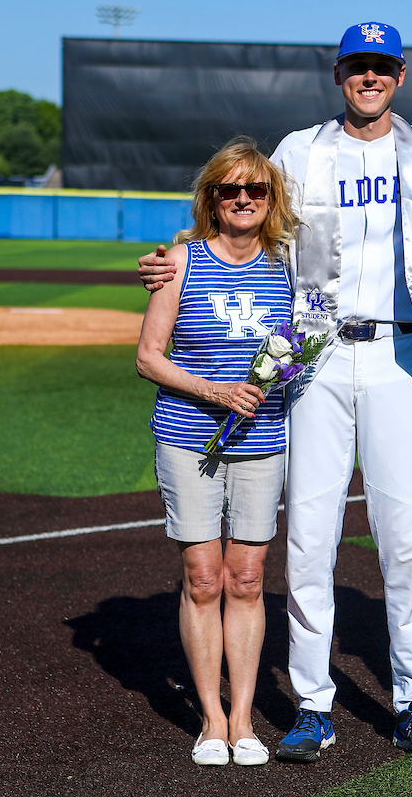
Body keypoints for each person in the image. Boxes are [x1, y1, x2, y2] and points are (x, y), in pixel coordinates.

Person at [139, 22, 412, 765]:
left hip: (395, 355)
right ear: (338, 73)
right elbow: (244, 222)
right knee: (310, 539)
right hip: (314, 361)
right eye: (358, 66)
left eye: (381, 67)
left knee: (408, 541)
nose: (370, 78)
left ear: (400, 74)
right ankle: (315, 705)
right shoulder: (299, 150)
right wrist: (175, 260)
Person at [135, 138, 299, 767]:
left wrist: (393, 362)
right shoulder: (179, 262)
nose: (242, 199)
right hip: (185, 436)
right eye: (229, 189)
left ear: (270, 198)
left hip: (263, 441)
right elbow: (149, 357)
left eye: (254, 189)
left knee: (249, 578)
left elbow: (320, 336)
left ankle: (243, 719)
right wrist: (214, 391)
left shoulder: (288, 265)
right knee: (203, 578)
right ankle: (210, 720)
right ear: (211, 197)